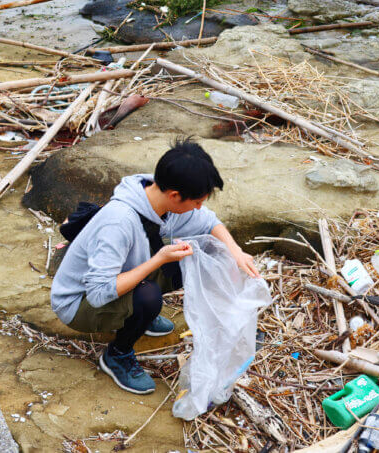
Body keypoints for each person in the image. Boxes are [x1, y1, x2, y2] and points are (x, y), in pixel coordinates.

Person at [50, 138, 261, 394]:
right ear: (175, 195)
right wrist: (158, 260)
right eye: (197, 202)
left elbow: (209, 223)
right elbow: (98, 293)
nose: (199, 207)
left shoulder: (160, 198)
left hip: (119, 278)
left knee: (197, 255)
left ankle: (139, 316)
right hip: (78, 302)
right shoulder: (119, 222)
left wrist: (236, 252)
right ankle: (118, 354)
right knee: (148, 296)